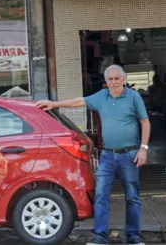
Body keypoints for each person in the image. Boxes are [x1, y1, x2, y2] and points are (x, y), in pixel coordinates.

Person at [36, 64, 150, 245]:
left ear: (123, 79)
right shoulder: (101, 97)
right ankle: (100, 238)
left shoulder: (133, 96)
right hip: (107, 155)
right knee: (101, 196)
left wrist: (143, 148)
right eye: (110, 79)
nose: (113, 82)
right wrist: (55, 104)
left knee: (132, 197)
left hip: (129, 154)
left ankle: (133, 237)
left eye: (117, 79)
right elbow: (79, 101)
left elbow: (145, 121)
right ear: (106, 81)